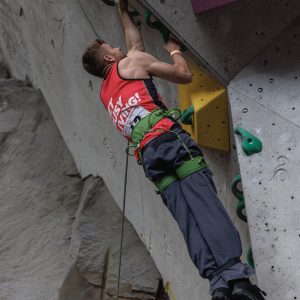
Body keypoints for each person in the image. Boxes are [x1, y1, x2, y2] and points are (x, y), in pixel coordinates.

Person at [81, 1, 267, 299]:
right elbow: (183, 75)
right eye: (113, 47)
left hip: (150, 159)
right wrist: (174, 50)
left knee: (188, 219)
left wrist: (122, 12)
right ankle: (238, 281)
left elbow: (134, 46)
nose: (120, 47)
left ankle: (219, 285)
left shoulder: (106, 92)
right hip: (168, 140)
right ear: (107, 57)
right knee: (206, 206)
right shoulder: (132, 63)